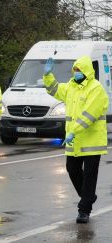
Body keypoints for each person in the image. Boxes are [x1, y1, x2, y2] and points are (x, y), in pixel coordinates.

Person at [43, 55, 108, 224]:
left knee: (89, 175)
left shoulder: (96, 88)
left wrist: (73, 131)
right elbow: (53, 89)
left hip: (92, 140)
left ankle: (84, 210)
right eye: (75, 70)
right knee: (71, 169)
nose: (76, 72)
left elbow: (89, 115)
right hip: (75, 140)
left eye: (79, 70)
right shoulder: (70, 86)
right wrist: (48, 75)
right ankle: (88, 196)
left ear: (86, 71)